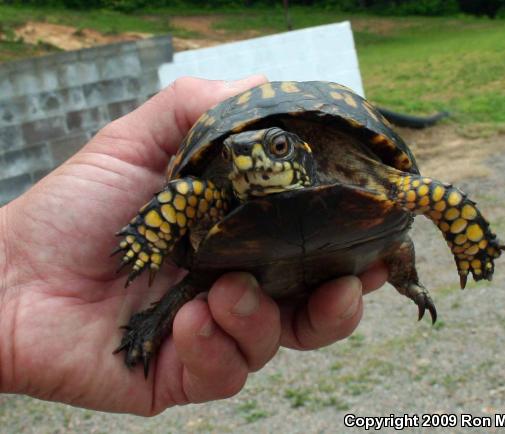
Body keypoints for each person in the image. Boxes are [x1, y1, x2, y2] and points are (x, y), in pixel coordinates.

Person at [0, 76, 388, 415]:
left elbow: (423, 192)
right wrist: (146, 241)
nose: (252, 161)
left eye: (277, 149)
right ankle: (147, 325)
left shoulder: (344, 159)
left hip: (322, 243)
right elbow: (184, 193)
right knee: (200, 281)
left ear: (301, 149)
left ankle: (403, 271)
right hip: (238, 257)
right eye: (233, 156)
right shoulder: (213, 193)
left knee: (388, 256)